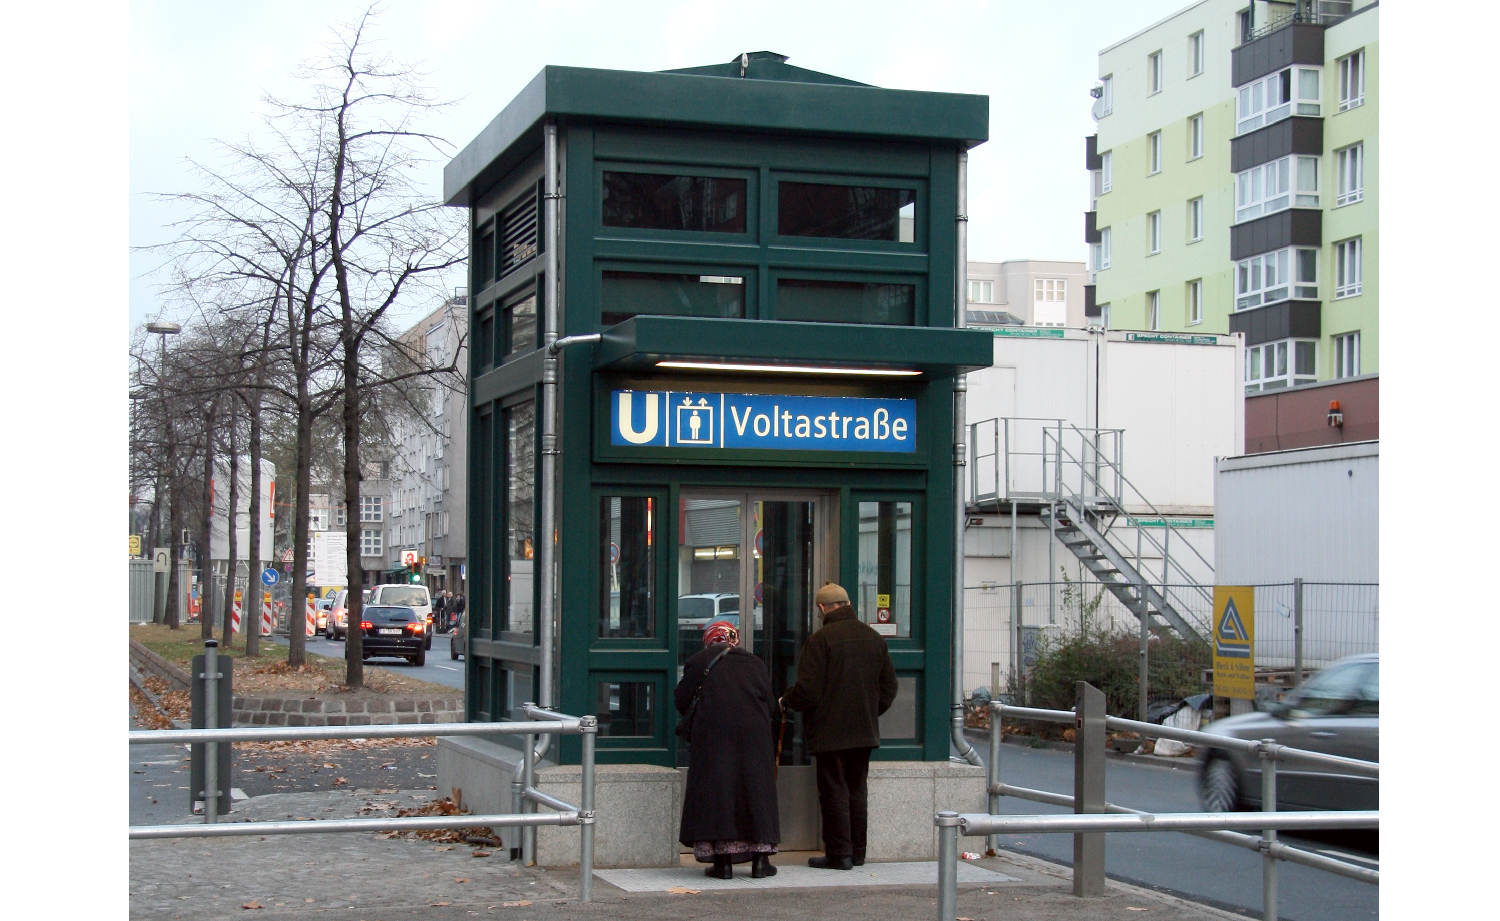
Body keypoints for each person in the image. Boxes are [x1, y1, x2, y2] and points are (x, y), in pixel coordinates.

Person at [781, 581, 897, 871]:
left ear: (822, 608)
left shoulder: (820, 641)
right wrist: (869, 712)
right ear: (848, 605)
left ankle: (839, 854)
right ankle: (857, 853)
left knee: (833, 790)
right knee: (857, 790)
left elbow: (808, 690)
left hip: (830, 732)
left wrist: (786, 700)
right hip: (864, 731)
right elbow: (889, 688)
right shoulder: (874, 638)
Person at [675, 621, 781, 879]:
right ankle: (760, 862)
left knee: (718, 794)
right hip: (754, 738)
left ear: (709, 640)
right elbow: (770, 705)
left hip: (714, 738)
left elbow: (681, 699)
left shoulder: (698, 661)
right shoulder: (755, 663)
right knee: (755, 792)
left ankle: (722, 864)